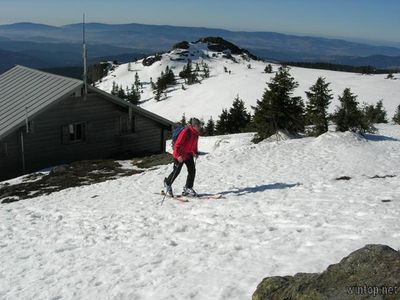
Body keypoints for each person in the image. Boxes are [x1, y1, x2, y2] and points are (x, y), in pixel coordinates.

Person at [164, 118, 201, 197]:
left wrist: (195, 152)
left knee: (192, 171)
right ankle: (167, 183)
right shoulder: (186, 132)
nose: (200, 127)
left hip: (188, 154)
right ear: (194, 126)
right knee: (176, 172)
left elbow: (194, 145)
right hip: (179, 155)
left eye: (200, 125)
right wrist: (178, 156)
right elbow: (177, 145)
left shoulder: (196, 134)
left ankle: (188, 188)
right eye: (198, 126)